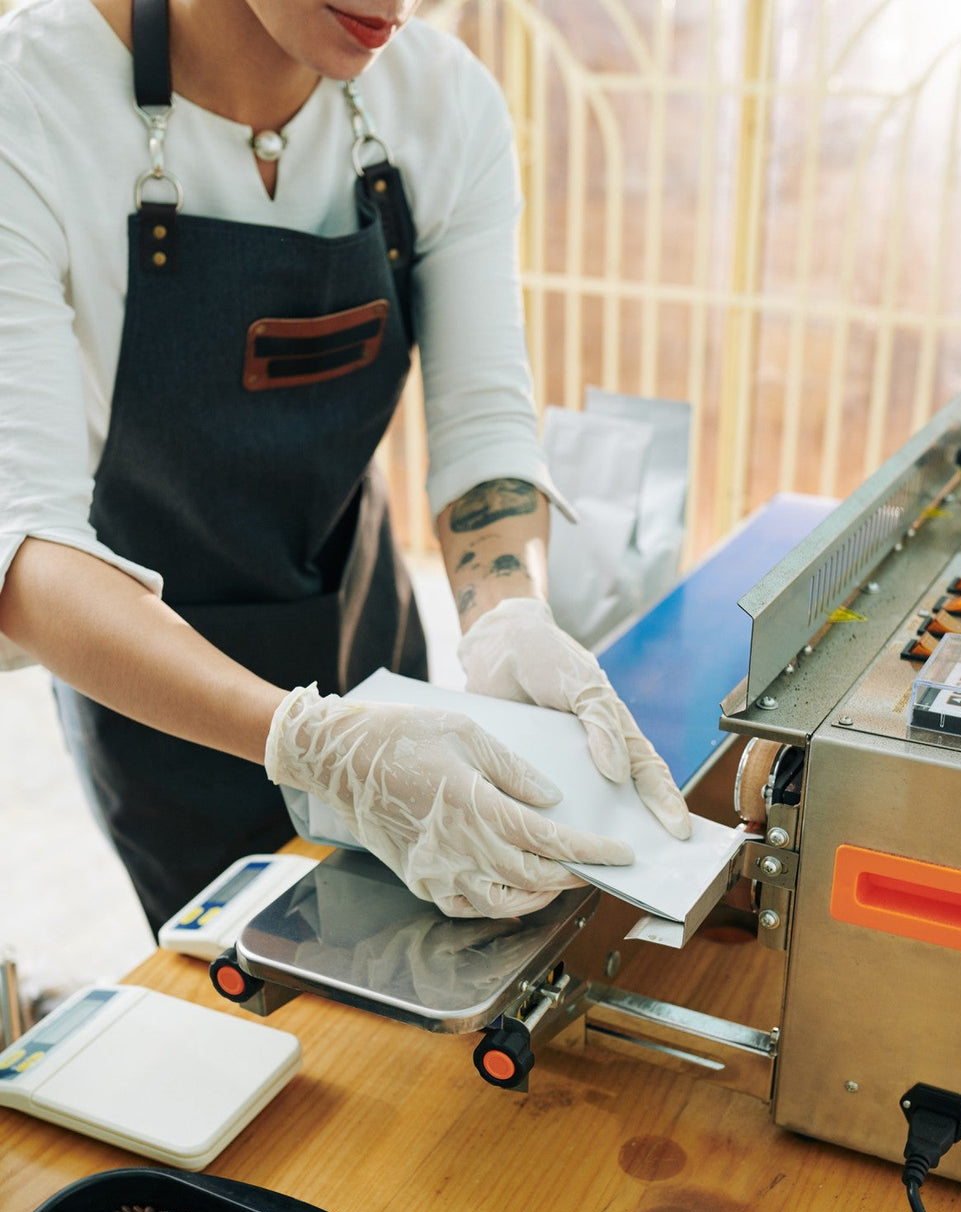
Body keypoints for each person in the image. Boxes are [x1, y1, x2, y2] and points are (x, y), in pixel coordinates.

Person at [0, 0, 690, 931]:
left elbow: (483, 420)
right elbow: (25, 549)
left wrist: (506, 612)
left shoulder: (441, 102)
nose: (398, 5)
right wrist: (315, 746)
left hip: (366, 643)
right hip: (153, 684)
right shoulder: (30, 103)